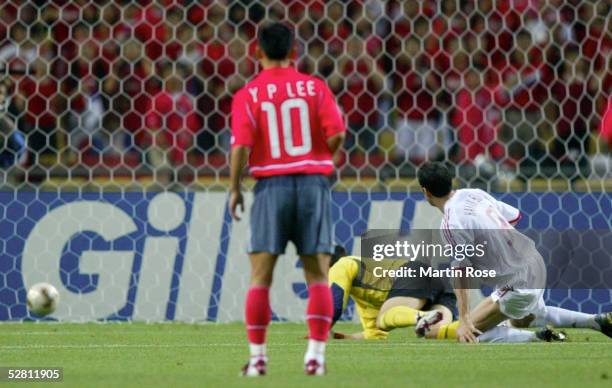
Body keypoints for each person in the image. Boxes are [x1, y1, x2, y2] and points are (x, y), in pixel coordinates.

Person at [229, 22, 346, 376]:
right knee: (317, 276)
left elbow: (241, 147)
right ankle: (315, 358)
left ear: (257, 52)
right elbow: (338, 134)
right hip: (313, 184)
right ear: (294, 53)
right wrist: (321, 157)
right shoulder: (315, 87)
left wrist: (234, 187)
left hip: (271, 187)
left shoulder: (248, 94)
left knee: (260, 277)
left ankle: (259, 360)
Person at [414, 162, 612, 343]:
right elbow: (515, 216)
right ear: (450, 181)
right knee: (527, 318)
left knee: (468, 331)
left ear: (425, 192)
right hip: (535, 262)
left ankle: (540, 338)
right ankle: (597, 320)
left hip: (517, 282)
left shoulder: (450, 223)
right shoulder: (474, 193)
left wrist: (464, 318)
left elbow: (461, 273)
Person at [328, 245, 456, 340]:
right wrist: (337, 337)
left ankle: (422, 317)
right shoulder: (366, 294)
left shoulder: (341, 265)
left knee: (385, 316)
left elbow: (335, 305)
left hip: (413, 273)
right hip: (437, 280)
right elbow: (374, 335)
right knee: (436, 331)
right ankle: (474, 330)